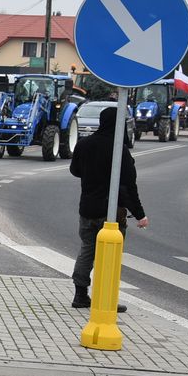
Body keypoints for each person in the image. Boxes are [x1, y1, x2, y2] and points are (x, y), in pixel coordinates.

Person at [69, 106, 149, 311]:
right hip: (111, 213)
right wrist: (140, 214)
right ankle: (107, 298)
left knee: (87, 250)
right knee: (110, 255)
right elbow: (129, 184)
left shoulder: (84, 144)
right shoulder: (118, 149)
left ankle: (80, 295)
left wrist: (91, 174)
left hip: (86, 208)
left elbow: (75, 170)